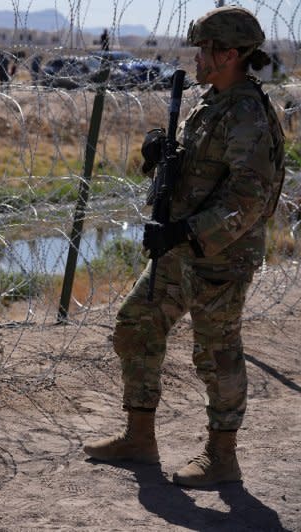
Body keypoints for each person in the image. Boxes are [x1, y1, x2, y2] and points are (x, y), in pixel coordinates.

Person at [83, 6, 285, 488]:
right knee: (136, 324)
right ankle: (139, 436)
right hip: (182, 249)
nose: (196, 57)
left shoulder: (245, 111)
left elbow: (249, 196)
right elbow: (195, 172)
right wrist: (160, 157)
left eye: (204, 48)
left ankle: (222, 457)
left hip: (219, 255)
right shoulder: (211, 101)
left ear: (230, 54)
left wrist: (188, 232)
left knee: (216, 353)